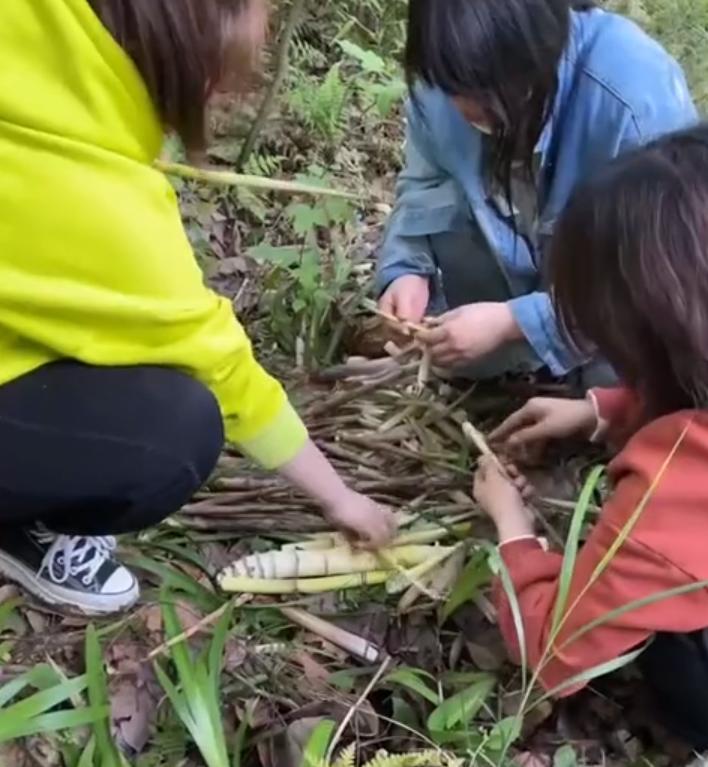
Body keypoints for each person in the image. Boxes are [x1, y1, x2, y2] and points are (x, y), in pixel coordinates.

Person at [0, 0, 395, 616]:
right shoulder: (102, 206)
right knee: (178, 431)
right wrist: (341, 499)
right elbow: (221, 366)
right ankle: (21, 527)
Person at [473, 125, 708, 749]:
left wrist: (511, 526)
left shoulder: (679, 478)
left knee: (676, 663)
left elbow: (557, 651)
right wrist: (599, 410)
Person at [377, 0, 697, 384]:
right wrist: (407, 270)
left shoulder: (635, 103)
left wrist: (515, 323)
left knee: (627, 384)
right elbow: (425, 182)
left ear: (539, 52)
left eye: (487, 90)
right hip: (494, 308)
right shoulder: (439, 79)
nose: (466, 108)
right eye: (453, 88)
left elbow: (665, 281)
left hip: (607, 328)